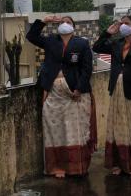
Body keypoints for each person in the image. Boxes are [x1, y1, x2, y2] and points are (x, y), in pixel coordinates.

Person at [26, 15, 96, 178]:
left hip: (74, 93)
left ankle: (77, 167)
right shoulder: (51, 40)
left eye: (69, 22)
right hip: (53, 91)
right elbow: (31, 36)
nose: (65, 24)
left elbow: (87, 69)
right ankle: (57, 167)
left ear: (74, 26)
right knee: (55, 130)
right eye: (62, 22)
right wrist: (44, 21)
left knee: (75, 131)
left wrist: (79, 88)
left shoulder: (82, 43)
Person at [92, 15, 131, 176]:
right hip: (117, 91)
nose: (123, 26)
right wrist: (108, 32)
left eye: (126, 24)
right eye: (121, 24)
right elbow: (97, 47)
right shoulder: (116, 44)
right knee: (118, 127)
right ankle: (119, 162)